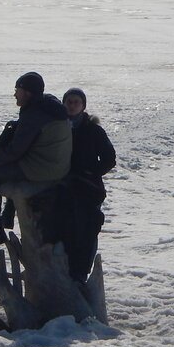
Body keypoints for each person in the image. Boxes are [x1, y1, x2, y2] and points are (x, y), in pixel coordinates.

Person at [0, 71, 72, 246]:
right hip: (57, 165)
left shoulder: (35, 114)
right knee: (7, 169)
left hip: (43, 169)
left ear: (27, 93)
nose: (14, 94)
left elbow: (15, 151)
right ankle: (7, 213)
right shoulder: (49, 105)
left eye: (17, 90)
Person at [60, 88, 117, 284]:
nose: (72, 105)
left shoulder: (93, 130)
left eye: (76, 102)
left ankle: (80, 274)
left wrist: (91, 174)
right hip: (60, 190)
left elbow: (109, 158)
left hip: (87, 190)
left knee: (87, 231)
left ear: (83, 106)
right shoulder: (56, 128)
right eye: (69, 101)